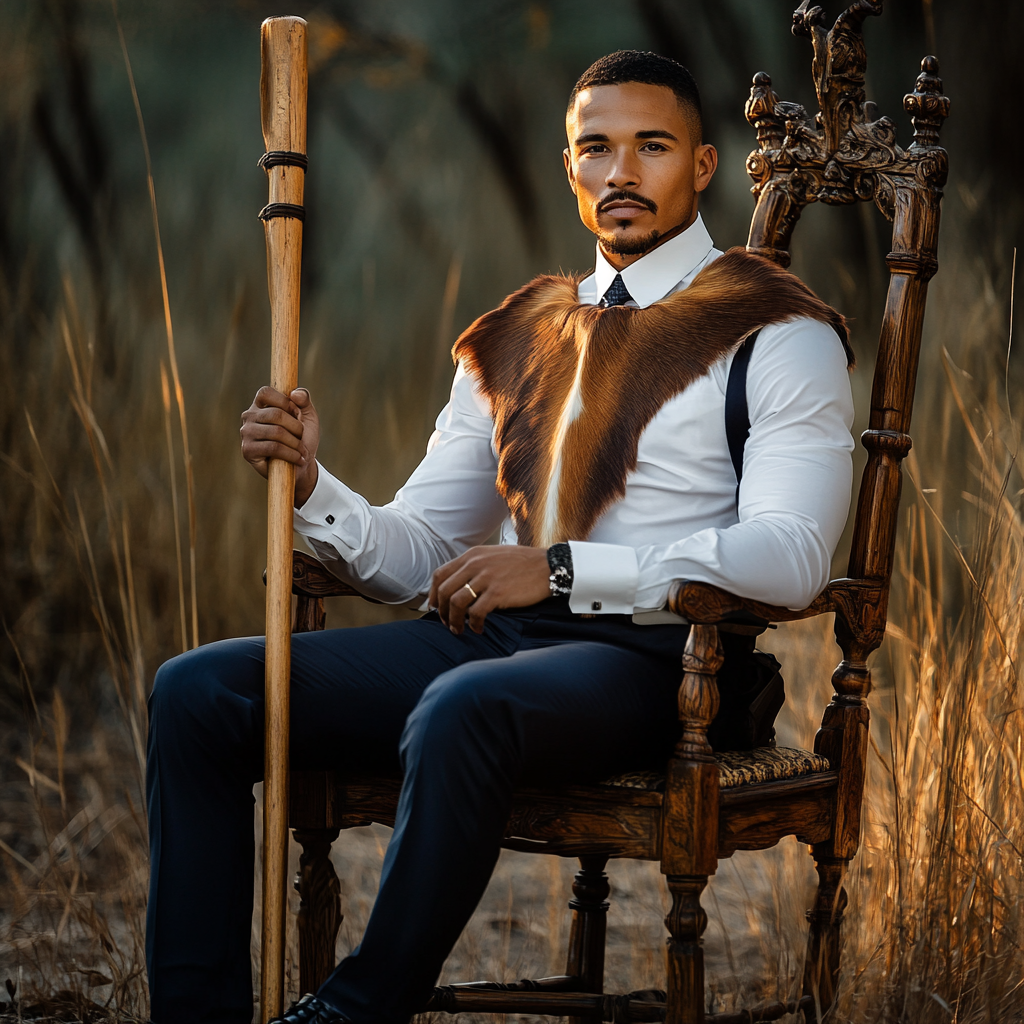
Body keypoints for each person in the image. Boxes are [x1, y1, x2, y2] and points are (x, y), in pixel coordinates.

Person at [145, 50, 855, 1024]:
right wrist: (314, 483)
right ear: (568, 166)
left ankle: (351, 1011)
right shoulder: (517, 334)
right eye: (595, 149)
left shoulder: (778, 333)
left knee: (461, 706)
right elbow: (422, 550)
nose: (620, 173)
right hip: (497, 642)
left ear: (699, 166)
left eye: (650, 147)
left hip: (659, 664)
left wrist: (560, 570)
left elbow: (791, 553)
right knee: (198, 690)